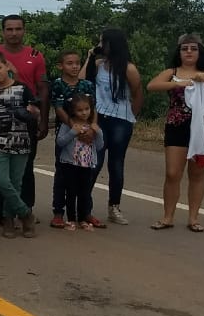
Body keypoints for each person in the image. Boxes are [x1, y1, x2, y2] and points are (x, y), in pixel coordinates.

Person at [146, 34, 204, 232]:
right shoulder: (172, 71)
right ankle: (168, 217)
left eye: (193, 48)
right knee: (172, 173)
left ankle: (193, 218)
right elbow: (152, 86)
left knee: (197, 173)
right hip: (177, 126)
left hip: (203, 127)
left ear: (200, 51)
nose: (189, 52)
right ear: (179, 52)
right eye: (185, 49)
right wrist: (178, 83)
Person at [88, 28, 143, 225]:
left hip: (121, 119)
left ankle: (114, 206)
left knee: (116, 164)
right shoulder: (98, 64)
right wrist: (91, 54)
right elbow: (84, 79)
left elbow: (137, 94)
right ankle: (85, 205)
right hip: (100, 117)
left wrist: (130, 117)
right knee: (95, 162)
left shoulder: (129, 69)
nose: (101, 45)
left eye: (104, 42)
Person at [0, 52, 40, 238]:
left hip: (20, 141)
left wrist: (32, 112)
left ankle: (8, 219)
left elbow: (35, 111)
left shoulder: (23, 89)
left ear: (7, 66)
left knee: (15, 183)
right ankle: (26, 214)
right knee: (1, 181)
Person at [0, 15, 50, 211]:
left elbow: (42, 88)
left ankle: (26, 208)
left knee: (26, 167)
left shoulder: (35, 55)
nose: (13, 33)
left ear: (24, 31)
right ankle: (0, 211)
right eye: (9, 29)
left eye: (18, 29)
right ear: (2, 32)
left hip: (27, 119)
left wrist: (43, 120)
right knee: (1, 168)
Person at [49, 49, 97, 228]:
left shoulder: (87, 85)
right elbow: (59, 108)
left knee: (86, 175)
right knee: (63, 175)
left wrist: (92, 128)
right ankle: (59, 212)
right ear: (61, 66)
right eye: (70, 63)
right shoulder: (58, 84)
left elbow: (94, 108)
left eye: (77, 63)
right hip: (67, 135)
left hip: (87, 133)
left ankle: (86, 212)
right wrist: (75, 128)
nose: (75, 66)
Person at [55, 94, 103, 231]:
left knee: (85, 192)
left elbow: (100, 146)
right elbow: (60, 142)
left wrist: (98, 132)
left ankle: (82, 219)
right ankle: (71, 219)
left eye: (87, 109)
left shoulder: (92, 126)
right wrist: (72, 132)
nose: (84, 113)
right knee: (71, 192)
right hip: (70, 164)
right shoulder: (68, 125)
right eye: (80, 110)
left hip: (86, 165)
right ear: (73, 111)